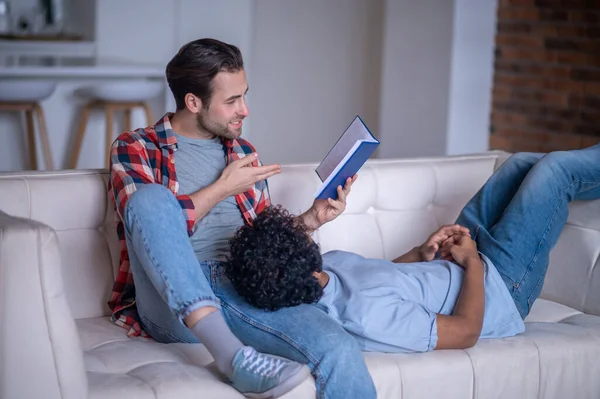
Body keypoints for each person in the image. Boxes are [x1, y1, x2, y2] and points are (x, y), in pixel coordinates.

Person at [108, 38, 376, 398]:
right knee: (150, 200)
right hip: (171, 298)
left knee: (338, 349)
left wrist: (312, 219)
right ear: (193, 102)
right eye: (232, 101)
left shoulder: (243, 152)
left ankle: (237, 352)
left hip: (243, 283)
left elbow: (263, 246)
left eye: (244, 96)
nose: (245, 110)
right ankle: (233, 357)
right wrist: (223, 187)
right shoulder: (136, 146)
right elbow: (148, 223)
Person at [225, 144, 600, 353]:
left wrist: (422, 252)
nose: (305, 230)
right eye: (297, 235)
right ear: (302, 265)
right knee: (555, 172)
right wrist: (472, 264)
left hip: (450, 259)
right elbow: (466, 331)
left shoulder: (325, 272)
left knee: (519, 162)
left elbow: (386, 278)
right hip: (498, 286)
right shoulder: (365, 316)